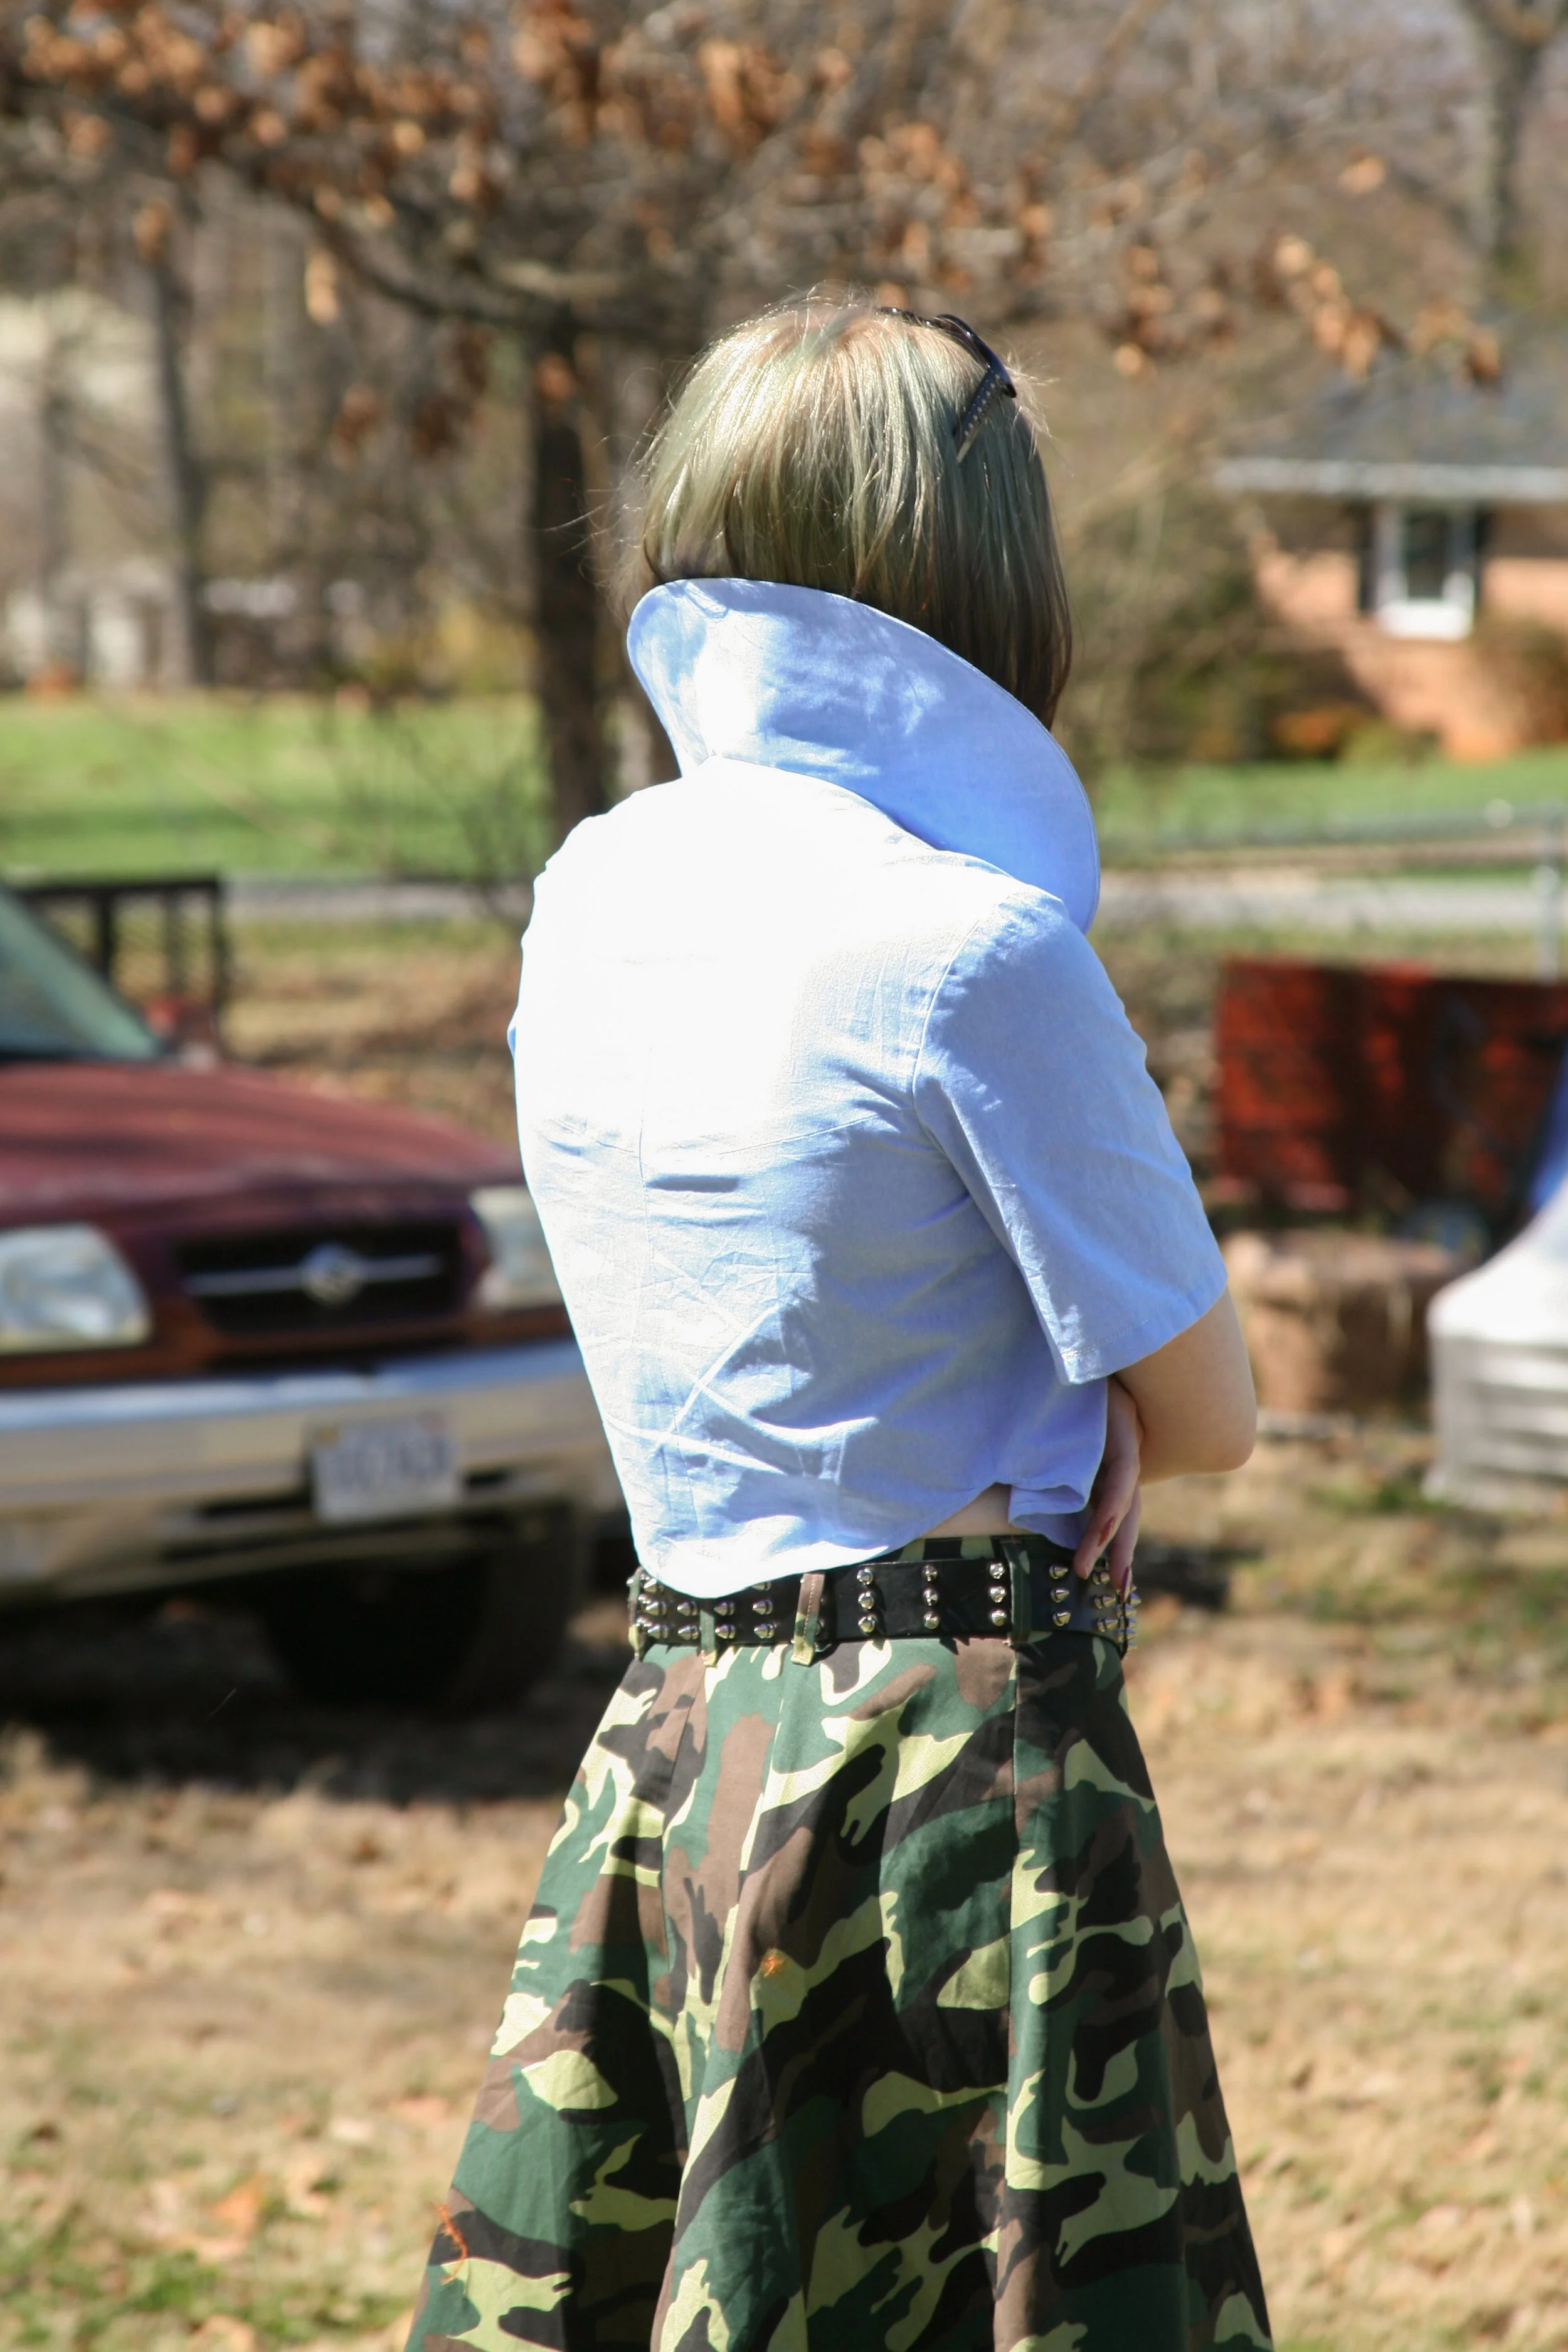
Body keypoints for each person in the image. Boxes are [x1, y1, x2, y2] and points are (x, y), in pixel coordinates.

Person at [406, 299, 1271, 2352]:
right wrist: (1108, 1396)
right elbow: (1212, 1407)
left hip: (684, 1731)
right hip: (957, 1773)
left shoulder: (592, 891)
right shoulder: (969, 948)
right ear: (990, 567)